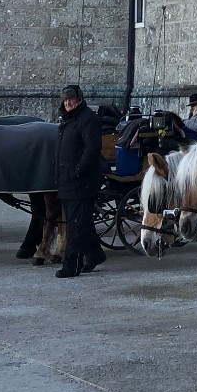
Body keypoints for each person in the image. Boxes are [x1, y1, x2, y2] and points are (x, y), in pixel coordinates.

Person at [54, 84, 107, 278]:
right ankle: (94, 254)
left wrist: (78, 170)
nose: (68, 103)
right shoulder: (68, 120)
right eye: (65, 100)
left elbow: (92, 148)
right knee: (81, 222)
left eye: (71, 99)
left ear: (79, 99)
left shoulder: (87, 119)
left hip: (80, 182)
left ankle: (71, 266)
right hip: (67, 181)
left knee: (76, 225)